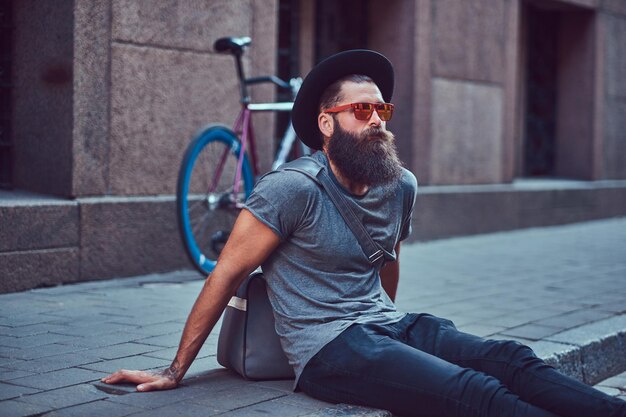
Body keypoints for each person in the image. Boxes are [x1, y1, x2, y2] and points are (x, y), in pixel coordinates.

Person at [102, 50, 626, 417]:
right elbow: (227, 274)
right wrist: (174, 371)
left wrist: (391, 326)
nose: (377, 119)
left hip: (383, 326)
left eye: (382, 109)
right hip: (329, 350)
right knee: (474, 392)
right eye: (361, 109)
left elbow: (388, 260)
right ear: (327, 123)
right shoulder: (291, 189)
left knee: (512, 360)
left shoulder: (400, 185)